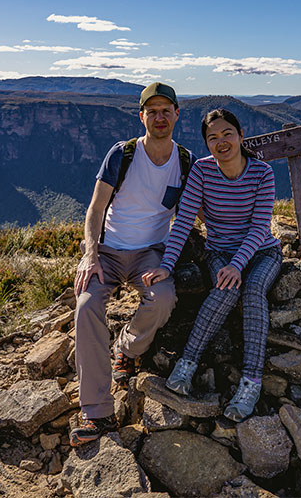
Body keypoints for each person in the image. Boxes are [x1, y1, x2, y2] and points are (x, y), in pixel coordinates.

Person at [69, 82, 195, 447]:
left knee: (163, 298)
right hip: (107, 250)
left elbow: (193, 211)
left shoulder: (184, 161)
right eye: (151, 111)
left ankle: (126, 348)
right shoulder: (122, 154)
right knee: (87, 305)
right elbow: (95, 208)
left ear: (175, 115)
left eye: (165, 110)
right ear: (142, 116)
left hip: (149, 253)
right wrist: (89, 255)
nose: (159, 117)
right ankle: (96, 411)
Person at [143, 108, 282, 422]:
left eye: (227, 134)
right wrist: (168, 264)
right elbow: (184, 221)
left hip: (262, 253)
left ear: (241, 136)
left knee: (253, 290)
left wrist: (238, 264)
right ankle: (186, 366)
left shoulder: (262, 173)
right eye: (213, 137)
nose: (221, 142)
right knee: (224, 290)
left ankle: (250, 384)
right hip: (219, 251)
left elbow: (261, 227)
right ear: (206, 143)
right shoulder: (202, 172)